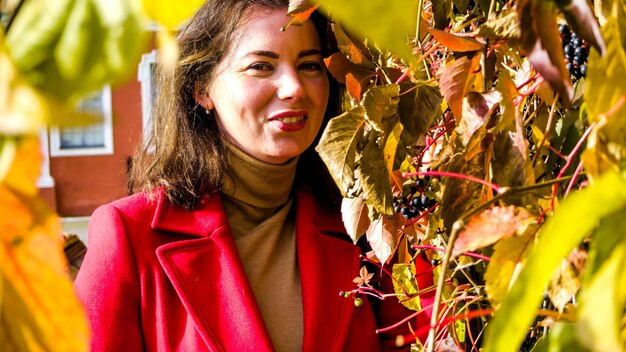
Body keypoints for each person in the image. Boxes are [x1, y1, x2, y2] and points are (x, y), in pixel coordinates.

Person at [74, 0, 434, 350]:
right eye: (261, 66)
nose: (294, 88)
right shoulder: (128, 236)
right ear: (202, 89)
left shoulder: (370, 231)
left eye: (309, 65)